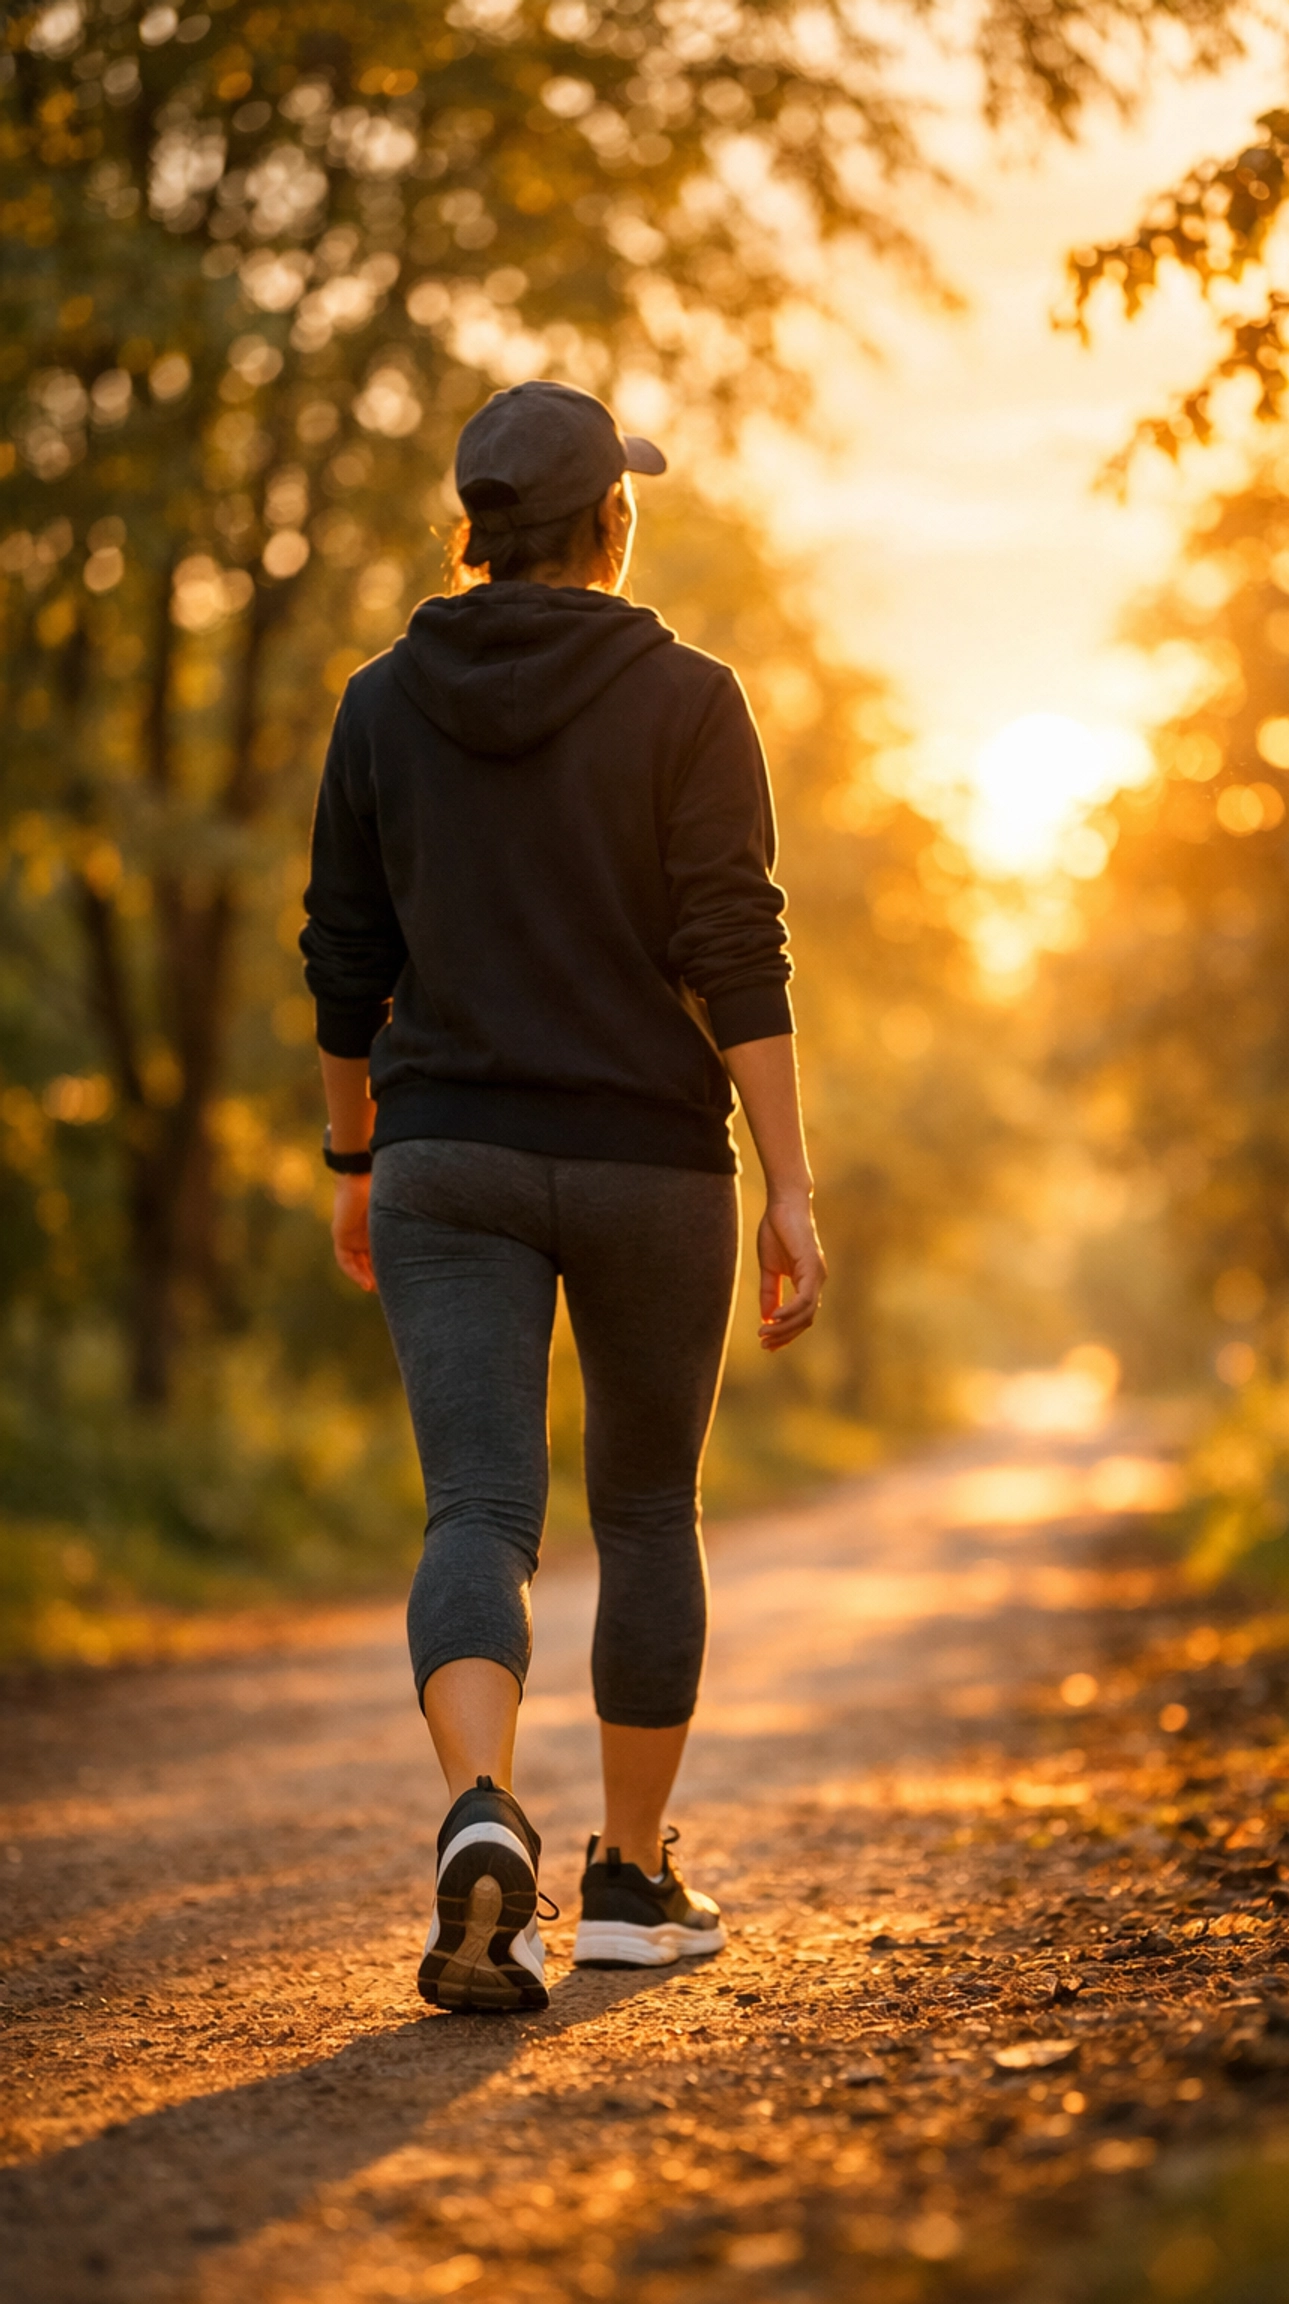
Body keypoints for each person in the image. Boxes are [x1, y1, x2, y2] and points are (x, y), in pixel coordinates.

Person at [300, 380, 825, 2013]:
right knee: (648, 1511)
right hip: (650, 1161)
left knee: (478, 1514)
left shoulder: (380, 704)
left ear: (474, 529)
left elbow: (343, 958)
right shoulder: (692, 699)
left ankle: (480, 1816)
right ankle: (628, 1877)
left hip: (444, 1155)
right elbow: (734, 946)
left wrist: (351, 1157)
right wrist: (792, 1190)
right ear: (612, 522)